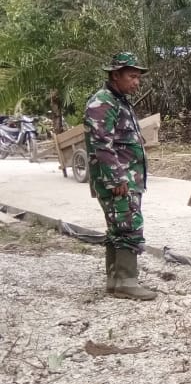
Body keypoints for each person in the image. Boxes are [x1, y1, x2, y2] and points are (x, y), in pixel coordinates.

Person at [84, 52, 155, 300]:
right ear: (115, 75)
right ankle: (126, 281)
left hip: (127, 177)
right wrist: (116, 179)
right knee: (128, 226)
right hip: (119, 180)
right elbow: (101, 145)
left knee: (117, 228)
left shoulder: (119, 101)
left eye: (138, 77)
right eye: (132, 76)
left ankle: (115, 281)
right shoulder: (103, 103)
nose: (137, 82)